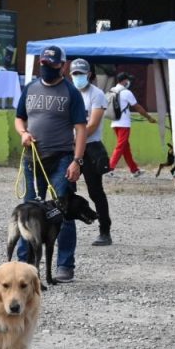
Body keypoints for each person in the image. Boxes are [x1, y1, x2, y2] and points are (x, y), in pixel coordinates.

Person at [15, 45, 87, 283]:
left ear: (62, 66)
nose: (46, 68)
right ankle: (24, 263)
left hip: (61, 158)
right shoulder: (30, 88)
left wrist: (77, 161)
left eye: (52, 65)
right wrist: (23, 133)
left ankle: (65, 265)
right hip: (32, 157)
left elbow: (80, 129)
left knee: (61, 211)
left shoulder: (71, 92)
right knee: (28, 210)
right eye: (44, 64)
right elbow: (19, 118)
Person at [70, 58, 112, 246]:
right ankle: (64, 230)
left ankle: (105, 230)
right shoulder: (68, 93)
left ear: (89, 74)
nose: (78, 77)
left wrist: (75, 140)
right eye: (75, 73)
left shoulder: (97, 95)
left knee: (95, 191)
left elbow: (93, 125)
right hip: (68, 147)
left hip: (90, 147)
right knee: (65, 190)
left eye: (81, 73)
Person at [108, 72, 155, 177]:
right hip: (124, 123)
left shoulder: (112, 90)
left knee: (125, 147)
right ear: (124, 81)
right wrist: (148, 117)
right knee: (121, 146)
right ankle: (109, 168)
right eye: (127, 80)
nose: (129, 82)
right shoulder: (126, 92)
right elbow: (137, 107)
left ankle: (134, 170)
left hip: (114, 122)